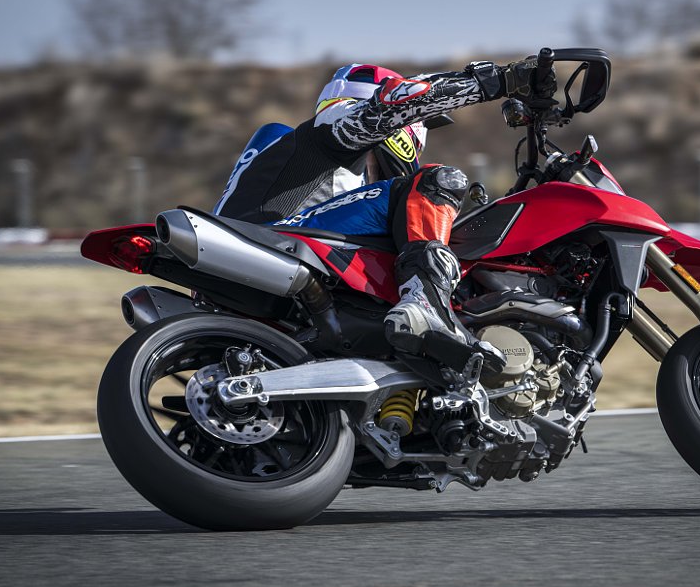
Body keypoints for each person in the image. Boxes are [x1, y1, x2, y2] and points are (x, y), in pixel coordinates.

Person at [214, 57, 556, 377]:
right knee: (438, 180)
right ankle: (427, 305)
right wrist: (501, 80)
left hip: (257, 264)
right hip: (272, 245)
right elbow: (397, 103)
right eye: (418, 124)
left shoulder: (314, 164)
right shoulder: (332, 128)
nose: (419, 133)